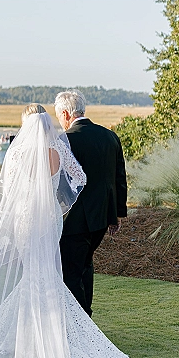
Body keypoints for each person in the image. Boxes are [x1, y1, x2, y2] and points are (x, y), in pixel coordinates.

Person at [0, 104, 175, 358]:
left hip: (27, 220)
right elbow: (79, 178)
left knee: (36, 277)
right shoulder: (58, 146)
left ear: (27, 124)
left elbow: (6, 195)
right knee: (46, 276)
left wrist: (14, 222)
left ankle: (37, 343)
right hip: (49, 221)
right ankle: (45, 338)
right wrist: (60, 207)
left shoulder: (18, 152)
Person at [54, 90, 127, 317]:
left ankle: (81, 324)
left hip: (74, 219)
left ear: (66, 114)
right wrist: (117, 216)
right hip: (102, 219)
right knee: (86, 265)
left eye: (59, 117)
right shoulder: (109, 136)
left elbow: (59, 184)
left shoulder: (65, 141)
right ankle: (86, 317)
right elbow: (119, 178)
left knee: (71, 272)